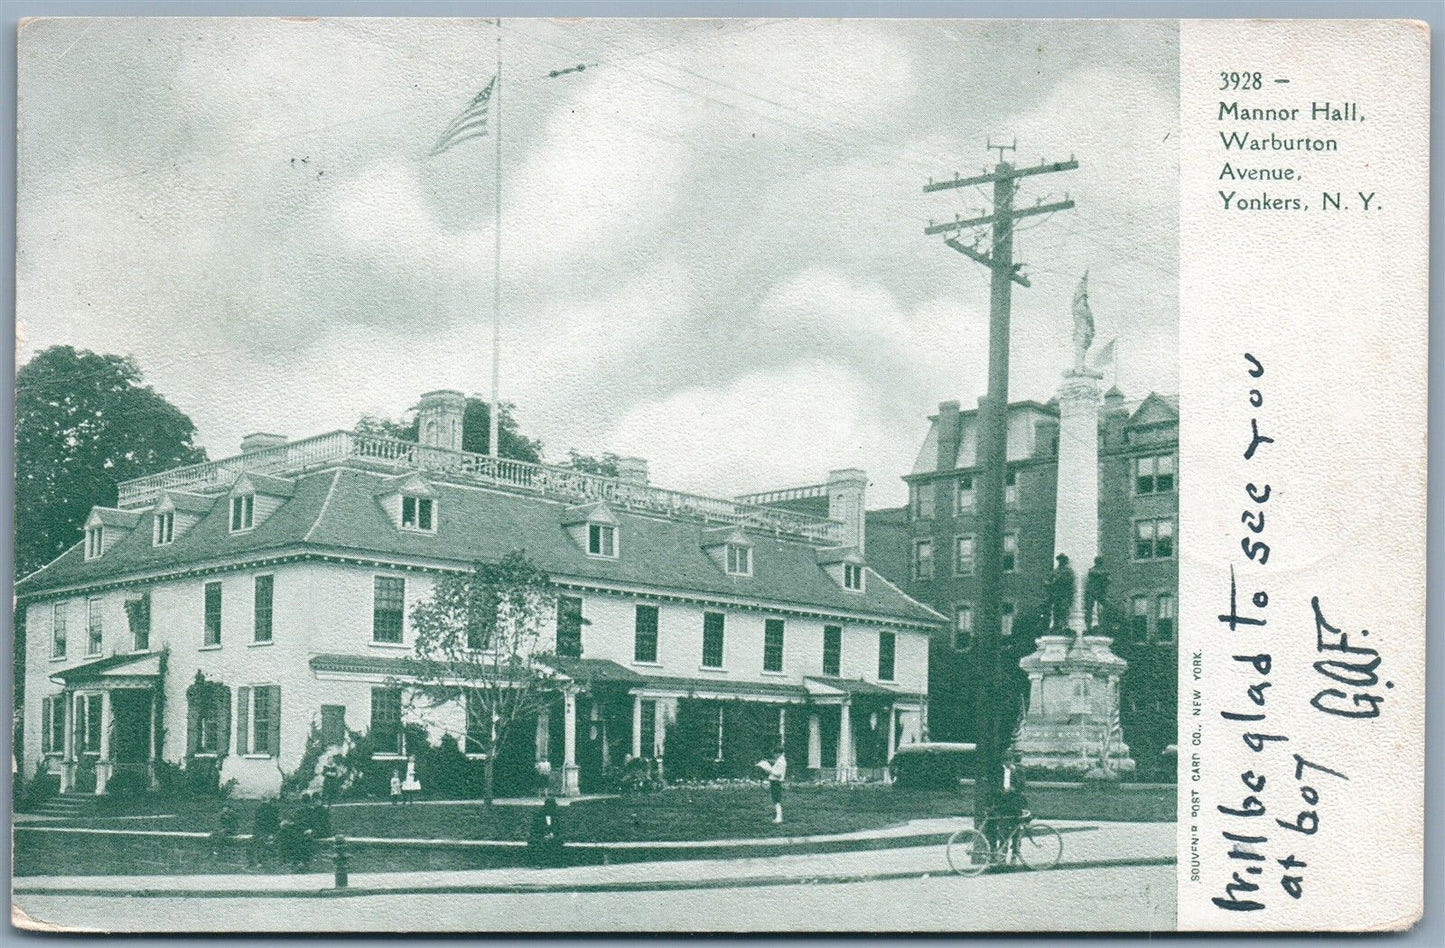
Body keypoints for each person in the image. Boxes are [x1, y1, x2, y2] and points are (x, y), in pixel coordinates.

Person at [994, 771, 1031, 865]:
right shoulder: (1001, 773)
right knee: (1004, 833)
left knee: (1016, 835)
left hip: (1014, 809)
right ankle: (1003, 856)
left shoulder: (1016, 773)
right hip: (1006, 809)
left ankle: (1014, 855)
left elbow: (1021, 789)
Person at [528, 796, 566, 867]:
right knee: (539, 842)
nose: (552, 809)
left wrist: (552, 834)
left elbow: (557, 827)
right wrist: (545, 834)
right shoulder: (538, 815)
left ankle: (558, 862)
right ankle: (539, 863)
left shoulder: (555, 815)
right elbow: (536, 828)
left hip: (552, 835)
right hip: (540, 835)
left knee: (558, 840)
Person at [755, 746, 787, 824]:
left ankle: (779, 818)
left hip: (776, 781)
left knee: (776, 800)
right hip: (775, 781)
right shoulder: (780, 760)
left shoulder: (781, 762)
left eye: (775, 754)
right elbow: (775, 764)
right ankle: (778, 817)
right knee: (776, 800)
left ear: (778, 753)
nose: (774, 756)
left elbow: (778, 774)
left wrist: (769, 770)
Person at [1048, 553, 1075, 631]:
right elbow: (1048, 580)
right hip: (1056, 593)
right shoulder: (1055, 571)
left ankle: (1065, 625)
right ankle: (1055, 625)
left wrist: (1061, 580)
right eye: (1060, 560)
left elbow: (1070, 580)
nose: (1061, 561)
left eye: (1063, 560)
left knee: (1064, 608)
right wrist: (1050, 584)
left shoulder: (1068, 571)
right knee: (1056, 609)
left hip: (1065, 593)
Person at [1083, 555, 1109, 631]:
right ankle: (1088, 627)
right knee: (1089, 609)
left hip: (1100, 592)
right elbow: (1093, 574)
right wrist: (1103, 576)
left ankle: (1103, 626)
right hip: (1091, 592)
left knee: (1105, 607)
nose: (1100, 563)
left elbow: (1108, 580)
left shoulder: (1102, 570)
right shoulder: (1093, 570)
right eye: (1099, 561)